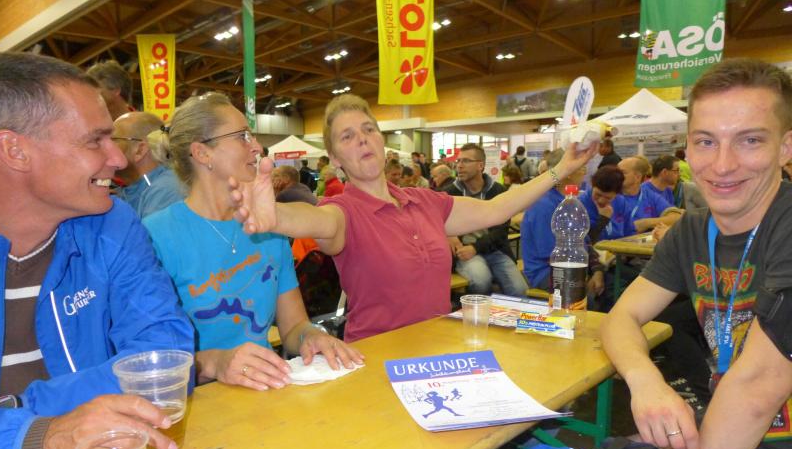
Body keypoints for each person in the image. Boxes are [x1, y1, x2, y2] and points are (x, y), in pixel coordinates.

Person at [230, 94, 597, 342]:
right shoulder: (342, 212)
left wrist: (562, 168)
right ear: (335, 159)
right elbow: (313, 220)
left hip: (439, 351)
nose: (362, 139)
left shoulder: (425, 202)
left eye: (368, 130)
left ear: (381, 140)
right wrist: (276, 215)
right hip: (377, 360)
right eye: (347, 136)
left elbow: (497, 209)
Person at [601, 58, 792, 449]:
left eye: (749, 140)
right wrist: (647, 382)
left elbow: (758, 388)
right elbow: (621, 318)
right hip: (731, 430)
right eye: (706, 141)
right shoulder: (692, 232)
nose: (722, 165)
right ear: (687, 148)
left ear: (786, 147)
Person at [0, 52, 194, 449]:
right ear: (14, 150)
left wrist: (18, 411)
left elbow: (165, 356)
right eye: (94, 141)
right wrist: (39, 438)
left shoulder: (112, 223)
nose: (119, 159)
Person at [143, 92, 362, 392]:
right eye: (242, 136)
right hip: (197, 403)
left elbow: (293, 326)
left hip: (266, 393)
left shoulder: (267, 226)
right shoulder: (155, 237)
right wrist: (215, 363)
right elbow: (148, 360)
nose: (257, 147)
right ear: (202, 153)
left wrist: (312, 336)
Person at [447, 143, 528, 297]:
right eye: (458, 161)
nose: (459, 166)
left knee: (520, 290)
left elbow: (501, 232)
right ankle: (478, 310)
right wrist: (447, 234)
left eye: (466, 161)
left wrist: (476, 247)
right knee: (481, 281)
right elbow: (434, 220)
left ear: (480, 165)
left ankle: (502, 311)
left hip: (494, 250)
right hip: (465, 252)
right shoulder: (450, 193)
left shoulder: (498, 191)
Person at [520, 149, 604, 295]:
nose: (585, 172)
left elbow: (585, 243)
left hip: (571, 267)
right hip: (547, 272)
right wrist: (583, 277)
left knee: (608, 281)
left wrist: (597, 270)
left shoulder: (571, 202)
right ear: (568, 171)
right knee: (582, 294)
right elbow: (553, 256)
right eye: (582, 167)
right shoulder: (544, 206)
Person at [112, 111, 185, 218]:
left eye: (112, 140)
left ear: (140, 150)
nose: (104, 148)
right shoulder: (133, 188)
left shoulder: (166, 190)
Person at [617, 156, 681, 233]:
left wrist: (645, 223)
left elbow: (676, 217)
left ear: (637, 177)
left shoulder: (648, 195)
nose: (616, 175)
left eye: (622, 172)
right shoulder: (609, 196)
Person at [578, 165, 627, 243]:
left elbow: (630, 232)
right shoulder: (579, 205)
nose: (601, 200)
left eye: (608, 198)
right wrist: (603, 219)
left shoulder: (621, 201)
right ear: (592, 185)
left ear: (617, 194)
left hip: (618, 247)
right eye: (598, 194)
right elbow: (584, 242)